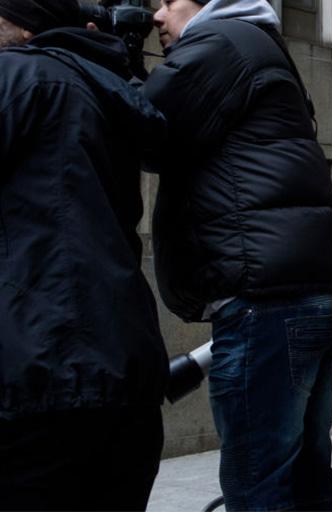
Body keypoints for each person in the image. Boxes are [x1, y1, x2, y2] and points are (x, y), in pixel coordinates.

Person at [142, 1, 332, 509]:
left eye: (167, 2)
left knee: (258, 488)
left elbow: (143, 130)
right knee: (305, 481)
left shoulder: (220, 43)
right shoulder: (255, 44)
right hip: (302, 290)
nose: (157, 16)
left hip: (267, 297)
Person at [0, 1, 169, 508]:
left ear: (22, 23)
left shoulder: (16, 74)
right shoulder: (107, 92)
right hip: (123, 381)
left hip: (36, 379)